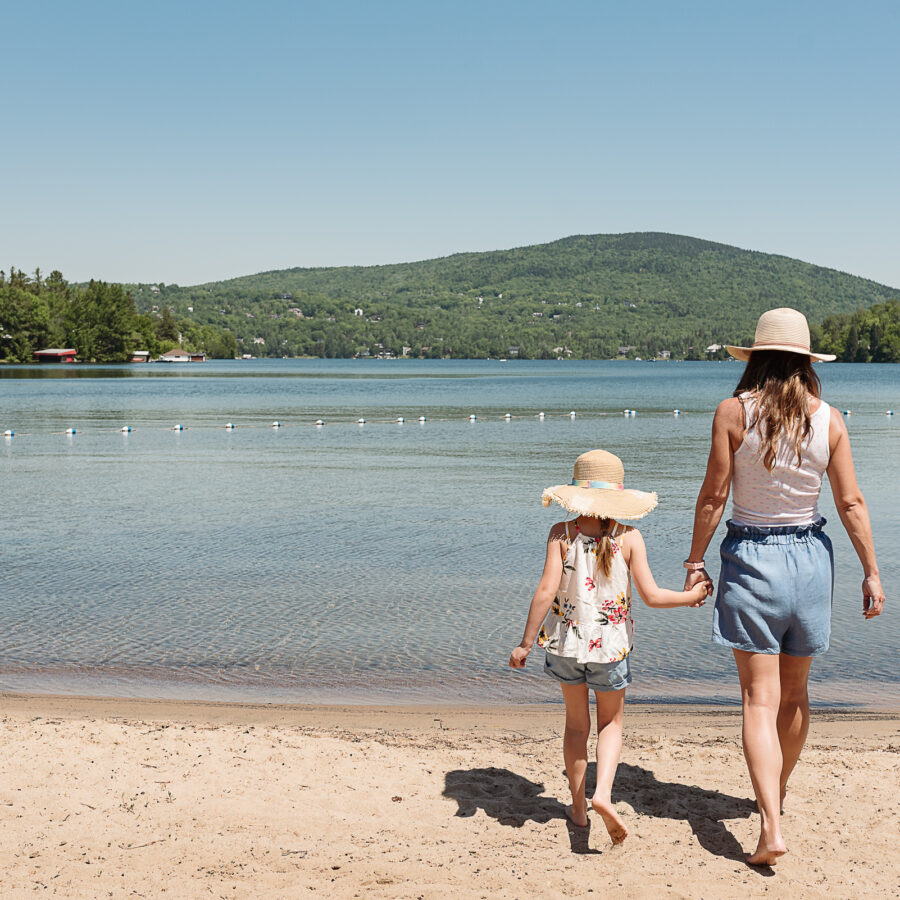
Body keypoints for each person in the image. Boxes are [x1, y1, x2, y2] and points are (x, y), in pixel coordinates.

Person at [683, 307, 886, 866]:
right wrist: (872, 571)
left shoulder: (733, 412)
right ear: (806, 363)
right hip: (812, 562)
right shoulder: (831, 419)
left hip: (752, 559)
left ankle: (770, 822)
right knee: (795, 695)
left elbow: (713, 497)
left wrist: (695, 559)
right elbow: (850, 503)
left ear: (755, 359)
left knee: (758, 699)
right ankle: (781, 790)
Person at [509, 449, 709, 844]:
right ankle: (603, 794)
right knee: (611, 724)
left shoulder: (560, 534)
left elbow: (546, 591)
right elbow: (651, 596)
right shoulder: (629, 537)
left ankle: (579, 810)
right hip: (611, 650)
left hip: (566, 646)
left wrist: (525, 643)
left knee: (575, 726)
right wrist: (692, 596)